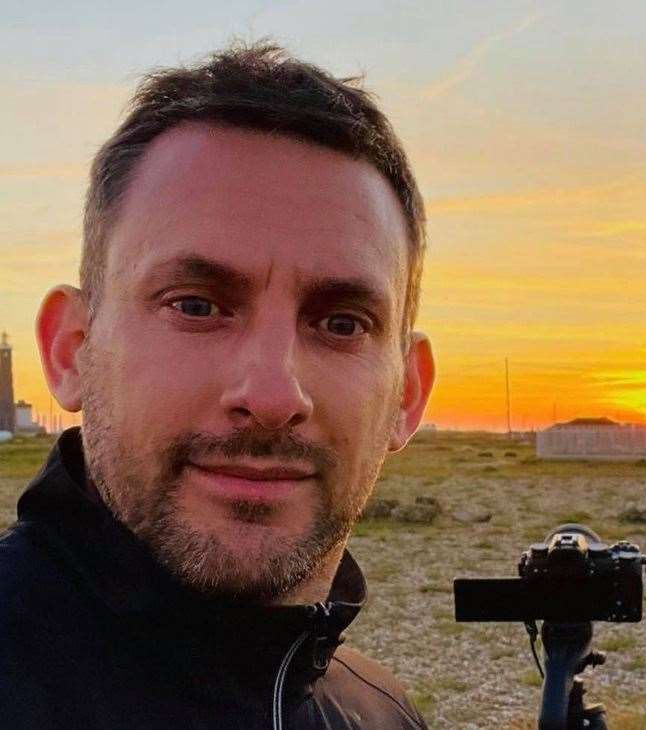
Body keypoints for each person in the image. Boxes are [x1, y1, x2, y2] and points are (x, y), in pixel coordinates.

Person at [0, 41, 436, 730]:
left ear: (407, 396)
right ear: (72, 350)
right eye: (196, 305)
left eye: (343, 322)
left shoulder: (380, 713)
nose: (271, 395)